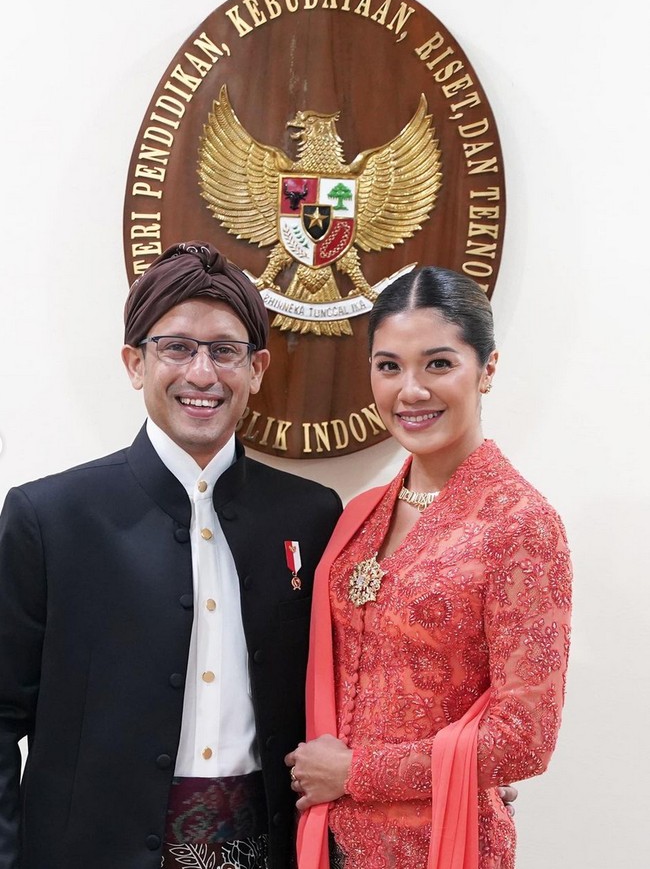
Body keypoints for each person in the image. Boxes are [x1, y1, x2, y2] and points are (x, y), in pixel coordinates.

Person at [0, 241, 344, 869]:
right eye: (178, 347)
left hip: (267, 848)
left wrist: (444, 767)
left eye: (225, 351)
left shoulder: (313, 517)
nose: (203, 374)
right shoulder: (49, 518)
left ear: (258, 368)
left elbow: (359, 687)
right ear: (135, 363)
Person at [285, 266, 572, 869]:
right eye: (389, 366)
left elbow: (526, 738)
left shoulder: (519, 525)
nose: (410, 390)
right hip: (331, 843)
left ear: (487, 369)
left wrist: (356, 772)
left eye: (438, 364)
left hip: (443, 842)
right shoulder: (360, 517)